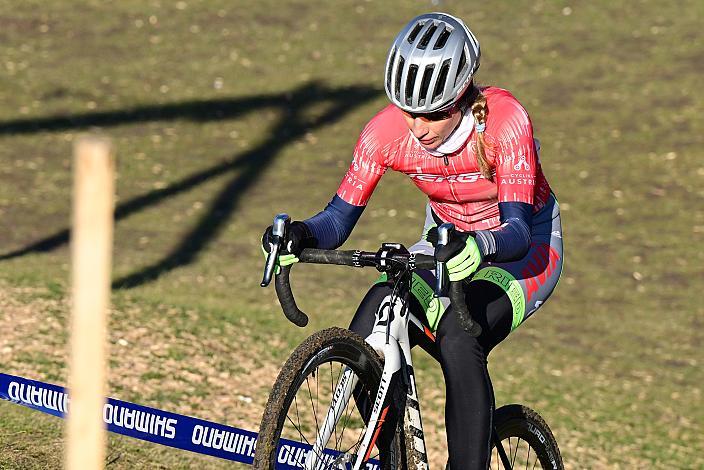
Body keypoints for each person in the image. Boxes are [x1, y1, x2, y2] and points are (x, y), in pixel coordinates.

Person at [262, 12, 563, 469]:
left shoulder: (505, 122)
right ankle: (391, 455)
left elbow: (518, 230)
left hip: (523, 251)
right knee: (378, 312)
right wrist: (299, 234)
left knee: (460, 337)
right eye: (408, 111)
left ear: (460, 97)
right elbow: (338, 219)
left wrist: (480, 246)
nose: (418, 127)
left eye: (431, 113)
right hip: (442, 243)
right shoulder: (384, 133)